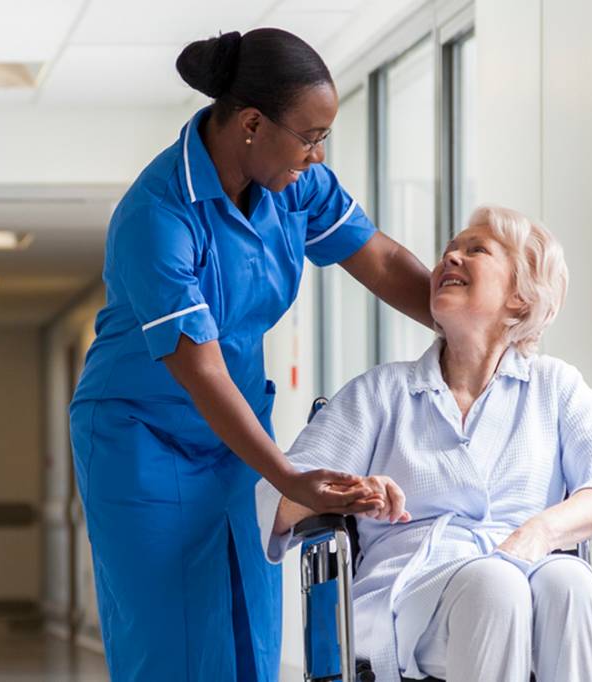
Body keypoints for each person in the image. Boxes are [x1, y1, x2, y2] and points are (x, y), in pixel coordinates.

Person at [68, 28, 431, 682]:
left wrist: (462, 319)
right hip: (142, 441)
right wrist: (289, 477)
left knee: (248, 630)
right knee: (170, 646)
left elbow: (377, 258)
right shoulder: (159, 215)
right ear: (252, 124)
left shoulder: (293, 185)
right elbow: (199, 369)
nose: (318, 155)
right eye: (311, 136)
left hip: (236, 439)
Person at [257, 205, 592, 681]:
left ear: (520, 299)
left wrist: (540, 533)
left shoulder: (555, 387)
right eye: (448, 252)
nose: (450, 259)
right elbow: (272, 502)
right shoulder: (381, 393)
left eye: (475, 250)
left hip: (531, 570)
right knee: (496, 584)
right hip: (413, 591)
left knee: (572, 581)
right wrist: (346, 491)